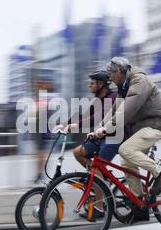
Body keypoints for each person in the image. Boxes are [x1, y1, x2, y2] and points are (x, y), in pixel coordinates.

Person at [93, 57, 161, 223]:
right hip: (143, 126)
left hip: (157, 124)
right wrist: (99, 128)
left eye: (111, 74)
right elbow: (115, 110)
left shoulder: (138, 81)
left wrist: (106, 129)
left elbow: (126, 111)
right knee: (127, 161)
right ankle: (139, 207)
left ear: (119, 72)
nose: (110, 78)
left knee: (125, 149)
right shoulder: (124, 86)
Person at [54, 71, 129, 221]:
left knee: (96, 167)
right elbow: (83, 116)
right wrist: (64, 124)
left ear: (101, 85)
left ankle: (100, 207)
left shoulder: (113, 98)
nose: (89, 85)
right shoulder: (96, 100)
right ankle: (100, 181)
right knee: (78, 152)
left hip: (116, 137)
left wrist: (74, 126)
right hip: (101, 137)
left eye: (92, 83)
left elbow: (98, 118)